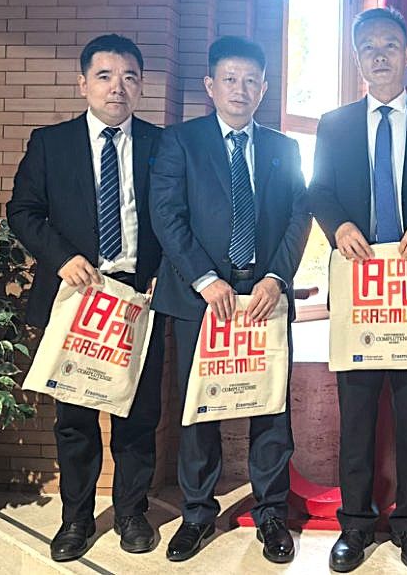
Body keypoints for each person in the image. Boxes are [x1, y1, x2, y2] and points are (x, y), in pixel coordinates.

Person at [149, 36, 311, 563]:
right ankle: (197, 512)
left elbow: (298, 215)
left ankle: (272, 512)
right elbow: (166, 214)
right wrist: (204, 278)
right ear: (210, 86)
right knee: (199, 407)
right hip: (201, 299)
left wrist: (276, 278)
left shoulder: (284, 149)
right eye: (230, 79)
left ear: (263, 88)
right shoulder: (181, 141)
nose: (240, 89)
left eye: (251, 81)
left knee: (270, 406)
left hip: (264, 296)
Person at [308, 7, 407, 573]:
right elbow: (318, 190)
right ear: (357, 59)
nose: (379, 54)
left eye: (389, 45)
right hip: (358, 285)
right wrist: (339, 225)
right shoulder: (335, 124)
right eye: (368, 46)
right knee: (357, 413)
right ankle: (354, 523)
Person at [8, 34, 165, 562]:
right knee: (74, 419)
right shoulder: (50, 143)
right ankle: (75, 519)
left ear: (140, 86)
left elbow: (177, 217)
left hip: (139, 297)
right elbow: (22, 211)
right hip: (77, 295)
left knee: (137, 415)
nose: (117, 87)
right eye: (105, 75)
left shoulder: (162, 145)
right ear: (83, 84)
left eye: (129, 77)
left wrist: (163, 275)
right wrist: (62, 258)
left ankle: (132, 513)